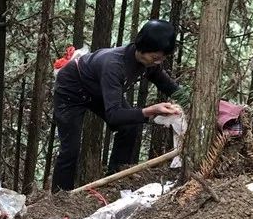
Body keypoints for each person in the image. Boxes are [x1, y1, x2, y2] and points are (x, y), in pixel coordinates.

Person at [51, 19, 184, 191]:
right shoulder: (114, 64)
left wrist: (191, 101)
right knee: (70, 149)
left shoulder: (149, 63)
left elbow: (169, 86)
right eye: (155, 57)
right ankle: (60, 196)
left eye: (162, 58)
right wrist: (150, 111)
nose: (158, 62)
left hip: (98, 89)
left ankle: (116, 178)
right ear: (142, 47)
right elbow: (114, 114)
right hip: (71, 89)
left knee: (129, 125)